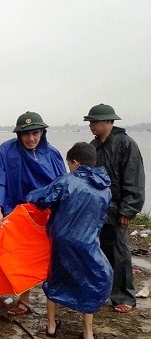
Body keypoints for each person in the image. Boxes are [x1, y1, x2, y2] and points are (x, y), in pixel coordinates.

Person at [0, 112, 66, 316]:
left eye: (35, 133)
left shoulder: (52, 154)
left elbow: (62, 184)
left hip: (44, 213)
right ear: (19, 135)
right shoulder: (7, 151)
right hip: (16, 211)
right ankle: (23, 300)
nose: (31, 138)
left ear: (42, 132)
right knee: (19, 256)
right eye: (26, 134)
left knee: (47, 256)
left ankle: (52, 302)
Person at [26, 142, 113, 339]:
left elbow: (42, 199)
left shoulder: (66, 181)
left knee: (55, 278)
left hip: (63, 240)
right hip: (89, 242)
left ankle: (50, 326)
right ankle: (88, 332)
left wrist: (30, 194)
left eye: (69, 163)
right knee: (90, 280)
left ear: (74, 162)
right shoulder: (105, 188)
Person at [83, 103, 145, 314]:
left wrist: (128, 209)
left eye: (94, 121)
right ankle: (101, 292)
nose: (91, 125)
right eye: (90, 121)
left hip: (117, 209)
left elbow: (134, 179)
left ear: (109, 121)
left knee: (119, 253)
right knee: (96, 252)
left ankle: (124, 297)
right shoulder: (93, 146)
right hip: (96, 210)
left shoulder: (126, 144)